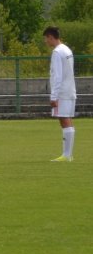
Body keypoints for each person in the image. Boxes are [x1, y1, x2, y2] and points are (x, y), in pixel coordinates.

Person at [44, 26, 76, 162]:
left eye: (46, 38)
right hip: (70, 90)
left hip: (62, 92)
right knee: (67, 119)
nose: (46, 41)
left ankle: (66, 155)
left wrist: (54, 96)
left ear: (51, 37)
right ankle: (68, 154)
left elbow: (58, 76)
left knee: (64, 119)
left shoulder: (57, 52)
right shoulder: (67, 49)